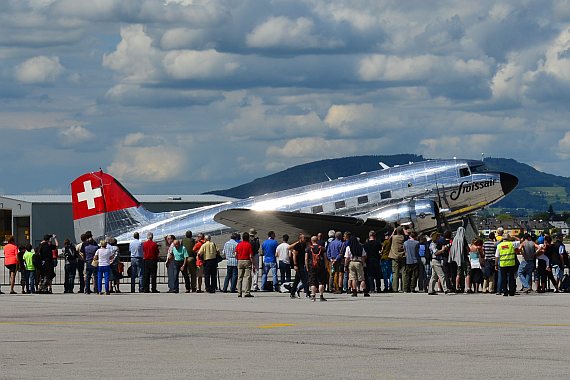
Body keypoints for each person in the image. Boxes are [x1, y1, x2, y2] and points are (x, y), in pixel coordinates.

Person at [305, 236, 327, 301]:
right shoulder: (322, 248)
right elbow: (325, 258)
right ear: (317, 241)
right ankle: (321, 296)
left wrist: (307, 266)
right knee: (321, 282)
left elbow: (306, 258)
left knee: (312, 282)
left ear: (311, 241)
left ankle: (313, 296)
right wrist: (325, 266)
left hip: (312, 266)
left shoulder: (308, 249)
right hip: (320, 266)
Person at [449, 227, 469, 293]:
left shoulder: (454, 239)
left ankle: (457, 287)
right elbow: (467, 249)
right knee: (466, 273)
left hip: (455, 259)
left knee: (458, 273)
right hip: (463, 258)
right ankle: (467, 287)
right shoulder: (463, 239)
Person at [289, 233, 309, 299]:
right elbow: (294, 255)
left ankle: (292, 293)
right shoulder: (297, 246)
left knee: (297, 280)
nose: (305, 239)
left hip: (302, 264)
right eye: (304, 238)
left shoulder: (305, 245)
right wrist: (295, 265)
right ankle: (307, 293)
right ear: (300, 239)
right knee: (304, 279)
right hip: (298, 264)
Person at [235, 231, 255, 298]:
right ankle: (247, 292)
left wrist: (238, 259)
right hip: (247, 261)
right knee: (248, 277)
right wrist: (253, 264)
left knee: (240, 278)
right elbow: (251, 255)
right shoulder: (248, 245)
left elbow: (235, 254)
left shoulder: (238, 244)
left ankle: (239, 292)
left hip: (240, 261)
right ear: (248, 238)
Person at [389, 227, 406, 292]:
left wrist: (393, 231)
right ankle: (404, 288)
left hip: (394, 256)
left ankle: (395, 288)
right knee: (403, 272)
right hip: (402, 256)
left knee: (395, 273)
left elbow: (389, 239)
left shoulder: (394, 237)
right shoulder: (403, 237)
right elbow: (406, 235)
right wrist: (403, 230)